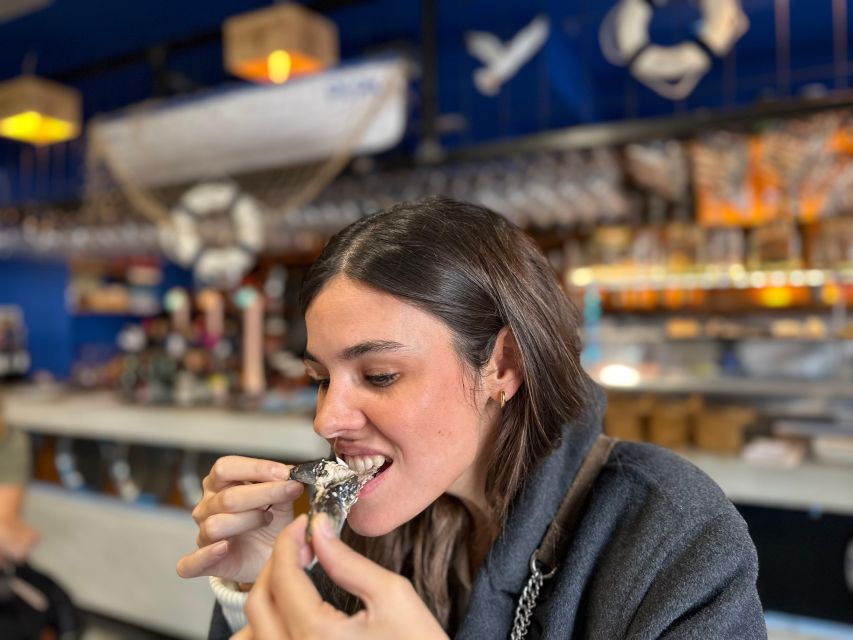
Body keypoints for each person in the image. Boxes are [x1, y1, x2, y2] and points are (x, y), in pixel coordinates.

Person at [176, 197, 766, 639]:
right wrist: (262, 584)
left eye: (380, 375)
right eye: (321, 380)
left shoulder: (674, 536)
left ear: (502, 366)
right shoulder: (350, 526)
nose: (327, 420)